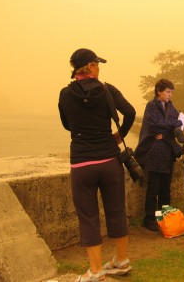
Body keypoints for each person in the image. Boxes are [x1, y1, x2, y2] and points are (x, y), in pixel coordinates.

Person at [58, 48, 135, 282]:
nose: (99, 69)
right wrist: (119, 135)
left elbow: (66, 125)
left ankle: (96, 270)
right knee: (116, 210)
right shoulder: (107, 90)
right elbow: (130, 112)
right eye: (97, 65)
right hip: (109, 161)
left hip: (82, 163)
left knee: (89, 216)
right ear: (90, 67)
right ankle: (121, 261)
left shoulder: (65, 94)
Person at [135, 79, 183, 232]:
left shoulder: (171, 107)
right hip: (154, 152)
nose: (170, 95)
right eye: (168, 92)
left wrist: (166, 130)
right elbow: (154, 124)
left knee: (165, 188)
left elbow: (176, 122)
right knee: (153, 189)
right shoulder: (151, 106)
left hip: (167, 152)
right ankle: (150, 219)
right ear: (159, 92)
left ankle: (165, 217)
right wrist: (171, 126)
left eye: (171, 92)